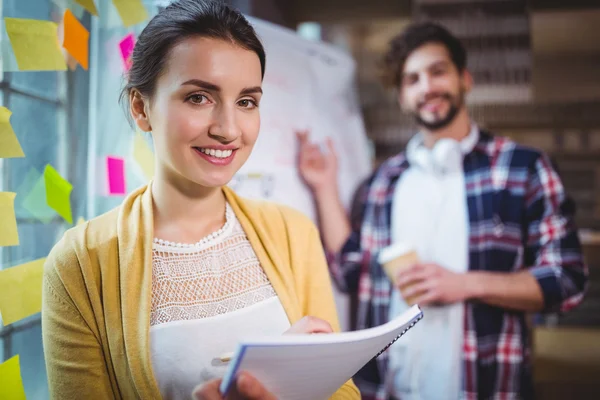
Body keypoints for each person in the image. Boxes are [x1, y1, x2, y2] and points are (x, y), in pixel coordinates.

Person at [41, 1, 360, 399]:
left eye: (247, 102)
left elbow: (342, 391)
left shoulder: (292, 232)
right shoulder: (81, 263)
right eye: (198, 98)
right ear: (142, 108)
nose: (228, 130)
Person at [297, 22, 588, 400]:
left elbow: (566, 279)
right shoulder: (383, 181)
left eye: (438, 72)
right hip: (388, 388)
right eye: (412, 79)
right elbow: (353, 269)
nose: (427, 87)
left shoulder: (524, 168)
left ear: (463, 78)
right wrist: (323, 186)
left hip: (486, 387)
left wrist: (465, 283)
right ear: (402, 97)